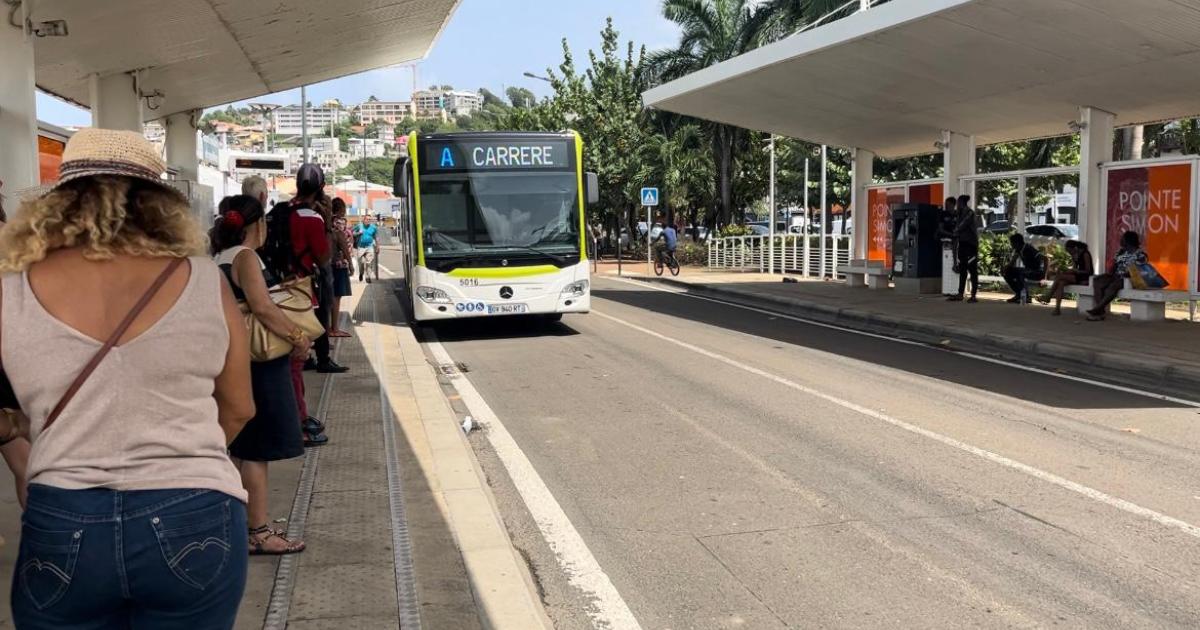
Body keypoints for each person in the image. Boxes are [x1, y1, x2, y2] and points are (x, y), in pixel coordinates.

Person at [0, 128, 253, 628]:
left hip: (63, 515)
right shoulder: (204, 281)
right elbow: (240, 407)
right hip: (196, 511)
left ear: (60, 201)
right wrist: (177, 449)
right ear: (160, 205)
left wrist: (20, 426)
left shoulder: (12, 290)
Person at [212, 195, 309, 555]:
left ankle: (243, 525)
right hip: (258, 360)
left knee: (240, 447)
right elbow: (264, 308)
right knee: (257, 449)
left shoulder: (217, 259)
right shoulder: (245, 257)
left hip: (231, 357)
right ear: (259, 226)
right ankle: (260, 531)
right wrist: (299, 338)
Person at [1087, 230, 1148, 321]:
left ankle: (1098, 309)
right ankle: (1100, 311)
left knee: (1113, 286)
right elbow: (1115, 264)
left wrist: (1125, 274)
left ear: (1128, 241)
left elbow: (1140, 271)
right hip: (1116, 276)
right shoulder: (1121, 251)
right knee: (1098, 281)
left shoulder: (1141, 254)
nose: (1120, 241)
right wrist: (1109, 273)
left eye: (1122, 239)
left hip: (1130, 279)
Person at [1038, 240, 1094, 316]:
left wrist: (1075, 271)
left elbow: (1088, 271)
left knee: (1059, 277)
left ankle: (1048, 296)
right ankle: (1057, 308)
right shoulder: (1075, 254)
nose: (1069, 253)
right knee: (1061, 283)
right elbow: (1074, 268)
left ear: (1075, 248)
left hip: (1085, 277)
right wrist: (1067, 271)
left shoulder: (1085, 254)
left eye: (1070, 251)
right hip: (1077, 276)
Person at [329, 197, 354, 337]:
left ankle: (328, 328)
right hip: (337, 264)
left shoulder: (325, 221)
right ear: (341, 209)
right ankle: (335, 328)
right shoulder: (338, 221)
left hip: (327, 264)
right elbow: (342, 242)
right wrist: (350, 263)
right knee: (336, 297)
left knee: (329, 297)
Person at [947, 194, 979, 302]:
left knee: (972, 270)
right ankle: (960, 293)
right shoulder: (959, 214)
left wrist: (954, 231)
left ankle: (973, 295)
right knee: (963, 269)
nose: (957, 206)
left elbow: (961, 226)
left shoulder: (969, 213)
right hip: (963, 244)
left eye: (958, 203)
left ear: (962, 203)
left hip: (971, 245)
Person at [1002, 232, 1045, 303]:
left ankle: (1026, 297)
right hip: (1028, 271)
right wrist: (1005, 268)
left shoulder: (1028, 248)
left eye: (1012, 243)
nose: (1011, 245)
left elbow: (1046, 259)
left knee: (1020, 273)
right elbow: (1012, 262)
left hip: (1037, 272)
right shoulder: (1018, 249)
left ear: (1017, 243)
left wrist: (1044, 277)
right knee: (1008, 271)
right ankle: (1019, 294)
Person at [353, 214, 380, 283]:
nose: (368, 221)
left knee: (369, 262)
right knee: (361, 263)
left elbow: (376, 237)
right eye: (367, 219)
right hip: (360, 247)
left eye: (369, 219)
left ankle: (368, 276)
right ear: (363, 220)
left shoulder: (373, 227)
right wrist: (358, 233)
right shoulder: (359, 226)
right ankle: (361, 273)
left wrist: (377, 246)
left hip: (369, 246)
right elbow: (352, 233)